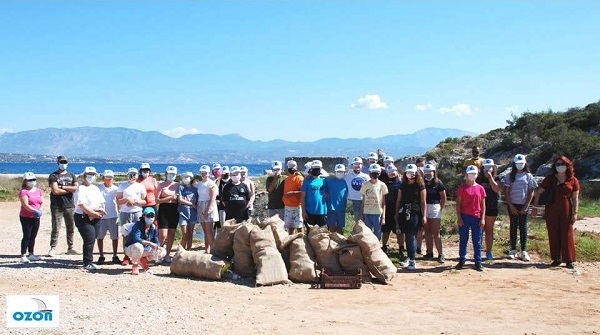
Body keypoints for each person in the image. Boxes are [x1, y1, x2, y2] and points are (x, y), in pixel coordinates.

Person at [533, 156, 580, 269]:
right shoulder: (549, 179)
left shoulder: (573, 180)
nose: (560, 166)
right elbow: (539, 193)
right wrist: (535, 207)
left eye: (562, 164)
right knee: (553, 232)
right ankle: (556, 258)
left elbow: (575, 198)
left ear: (567, 165)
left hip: (566, 208)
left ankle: (569, 260)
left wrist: (575, 213)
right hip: (551, 208)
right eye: (557, 164)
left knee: (567, 233)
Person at [504, 154, 537, 261]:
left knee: (523, 227)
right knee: (513, 227)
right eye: (518, 164)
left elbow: (531, 192)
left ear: (525, 164)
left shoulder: (529, 176)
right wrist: (511, 206)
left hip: (524, 205)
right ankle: (513, 249)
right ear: (514, 164)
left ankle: (524, 250)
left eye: (521, 164)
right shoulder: (509, 176)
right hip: (513, 205)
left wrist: (526, 206)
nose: (520, 165)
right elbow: (507, 192)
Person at [74, 167, 106, 272]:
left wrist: (100, 211)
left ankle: (88, 259)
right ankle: (87, 262)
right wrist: (93, 213)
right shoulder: (80, 188)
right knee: (89, 238)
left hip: (96, 217)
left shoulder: (95, 188)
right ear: (84, 176)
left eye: (93, 174)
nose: (91, 176)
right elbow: (82, 205)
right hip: (83, 217)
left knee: (93, 238)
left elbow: (100, 202)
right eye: (89, 174)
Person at [395, 164, 426, 271]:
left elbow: (423, 202)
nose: (411, 175)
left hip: (415, 213)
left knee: (411, 235)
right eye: (409, 172)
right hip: (404, 213)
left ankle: (412, 260)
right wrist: (396, 214)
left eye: (412, 173)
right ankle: (409, 257)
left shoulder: (420, 186)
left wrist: (424, 215)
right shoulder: (403, 185)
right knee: (407, 235)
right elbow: (399, 200)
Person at [455, 165, 487, 271]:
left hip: (477, 217)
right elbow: (458, 204)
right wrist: (459, 218)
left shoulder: (481, 188)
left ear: (477, 175)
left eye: (474, 174)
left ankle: (478, 261)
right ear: (467, 175)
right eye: (470, 174)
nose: (472, 175)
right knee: (463, 239)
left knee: (477, 240)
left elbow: (483, 205)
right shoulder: (462, 188)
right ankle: (462, 259)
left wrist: (482, 219)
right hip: (465, 216)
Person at [48, 155, 79, 257]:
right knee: (56, 226)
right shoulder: (53, 176)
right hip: (57, 205)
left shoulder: (72, 175)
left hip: (69, 205)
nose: (63, 164)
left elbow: (75, 188)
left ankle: (71, 247)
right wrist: (68, 190)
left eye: (65, 162)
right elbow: (55, 191)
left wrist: (63, 187)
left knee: (70, 227)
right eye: (62, 162)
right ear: (58, 163)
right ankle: (53, 247)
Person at [116, 168, 147, 266]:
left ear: (137, 175)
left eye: (134, 174)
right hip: (125, 212)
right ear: (127, 175)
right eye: (130, 174)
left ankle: (139, 256)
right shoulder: (122, 186)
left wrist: (135, 201)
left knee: (138, 234)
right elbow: (118, 200)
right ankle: (126, 256)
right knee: (126, 234)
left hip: (137, 212)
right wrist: (126, 200)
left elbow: (144, 201)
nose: (132, 176)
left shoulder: (140, 186)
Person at [124, 207, 166, 275]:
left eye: (152, 216)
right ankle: (135, 265)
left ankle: (144, 260)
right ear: (144, 216)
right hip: (131, 249)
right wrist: (150, 243)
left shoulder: (154, 227)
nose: (151, 218)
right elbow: (136, 239)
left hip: (145, 249)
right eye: (148, 216)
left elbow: (156, 241)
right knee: (138, 246)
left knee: (162, 251)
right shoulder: (137, 225)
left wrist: (157, 247)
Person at [476, 159, 502, 261]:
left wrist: (490, 178)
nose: (488, 169)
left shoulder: (497, 177)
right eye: (486, 167)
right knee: (479, 230)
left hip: (491, 206)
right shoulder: (478, 179)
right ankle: (478, 252)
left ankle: (489, 252)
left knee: (489, 230)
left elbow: (497, 189)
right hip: (479, 208)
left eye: (490, 167)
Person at [423, 164, 446, 263]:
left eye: (430, 172)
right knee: (427, 231)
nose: (428, 174)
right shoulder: (422, 183)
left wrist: (440, 208)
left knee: (436, 232)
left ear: (434, 172)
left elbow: (443, 197)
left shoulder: (438, 183)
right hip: (425, 207)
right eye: (426, 172)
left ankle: (440, 254)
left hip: (435, 206)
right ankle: (429, 252)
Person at [19, 172, 44, 263]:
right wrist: (34, 211)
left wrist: (40, 210)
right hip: (26, 216)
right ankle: (23, 255)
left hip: (36, 217)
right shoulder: (24, 192)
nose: (32, 181)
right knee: (27, 235)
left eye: (33, 180)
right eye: (30, 180)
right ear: (25, 181)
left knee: (33, 235)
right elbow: (25, 204)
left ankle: (31, 253)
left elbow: (42, 202)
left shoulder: (39, 191)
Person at [157, 165, 180, 264]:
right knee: (163, 234)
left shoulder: (178, 185)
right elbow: (157, 200)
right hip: (163, 209)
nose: (172, 176)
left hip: (174, 209)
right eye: (170, 174)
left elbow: (180, 198)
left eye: (173, 174)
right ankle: (158, 254)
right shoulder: (161, 185)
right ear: (166, 174)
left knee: (172, 233)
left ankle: (167, 254)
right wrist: (170, 197)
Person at [97, 170, 120, 265]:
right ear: (103, 178)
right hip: (102, 216)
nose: (109, 179)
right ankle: (101, 255)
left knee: (115, 237)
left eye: (110, 178)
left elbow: (118, 201)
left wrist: (119, 213)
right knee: (100, 237)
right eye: (107, 177)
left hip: (113, 215)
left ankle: (115, 255)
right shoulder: (99, 188)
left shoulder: (116, 189)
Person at [360, 164, 388, 241]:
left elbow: (384, 203)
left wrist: (383, 217)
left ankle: (377, 249)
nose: (374, 175)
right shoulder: (365, 185)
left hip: (377, 213)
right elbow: (363, 201)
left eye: (376, 173)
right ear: (369, 173)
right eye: (373, 173)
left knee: (377, 233)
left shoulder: (382, 185)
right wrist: (361, 214)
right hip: (367, 212)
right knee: (367, 234)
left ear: (379, 174)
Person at [381, 164, 404, 256]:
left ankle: (401, 248)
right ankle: (385, 246)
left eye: (393, 172)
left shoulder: (401, 183)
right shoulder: (384, 184)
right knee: (386, 229)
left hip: (398, 209)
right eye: (390, 173)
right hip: (387, 208)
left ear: (396, 172)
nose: (392, 174)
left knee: (399, 229)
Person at [197, 165, 219, 253]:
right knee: (205, 231)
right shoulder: (199, 184)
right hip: (200, 205)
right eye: (202, 173)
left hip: (209, 205)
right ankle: (207, 249)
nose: (203, 174)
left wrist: (207, 210)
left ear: (209, 173)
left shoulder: (211, 184)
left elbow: (212, 198)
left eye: (205, 173)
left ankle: (214, 250)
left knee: (209, 231)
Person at [301, 160, 328, 227]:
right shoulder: (307, 182)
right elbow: (302, 197)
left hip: (323, 212)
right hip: (309, 212)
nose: (316, 170)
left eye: (318, 168)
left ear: (321, 169)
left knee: (322, 234)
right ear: (311, 169)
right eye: (314, 168)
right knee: (309, 233)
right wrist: (303, 211)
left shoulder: (325, 181)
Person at [325, 164, 348, 233]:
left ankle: (340, 242)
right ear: (335, 172)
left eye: (342, 172)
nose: (340, 173)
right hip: (331, 208)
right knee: (331, 227)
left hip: (342, 208)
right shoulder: (329, 181)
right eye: (338, 172)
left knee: (340, 228)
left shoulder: (346, 181)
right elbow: (320, 176)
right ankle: (332, 241)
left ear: (344, 172)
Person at [345, 157, 369, 223]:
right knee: (357, 221)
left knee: (366, 220)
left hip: (364, 200)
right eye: (355, 164)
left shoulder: (366, 176)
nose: (357, 166)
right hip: (352, 200)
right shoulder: (347, 176)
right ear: (352, 165)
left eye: (359, 164)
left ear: (362, 165)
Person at [178, 171, 198, 251]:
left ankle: (188, 251)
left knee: (190, 234)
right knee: (185, 235)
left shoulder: (195, 189)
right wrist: (192, 204)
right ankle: (181, 252)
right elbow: (180, 200)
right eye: (184, 177)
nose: (185, 179)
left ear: (191, 178)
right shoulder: (181, 187)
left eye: (187, 177)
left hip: (193, 214)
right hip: (183, 213)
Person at [283, 160, 304, 234]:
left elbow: (303, 192)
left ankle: (301, 241)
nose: (291, 169)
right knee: (290, 228)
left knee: (299, 227)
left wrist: (292, 193)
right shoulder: (287, 179)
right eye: (290, 167)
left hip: (297, 206)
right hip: (288, 206)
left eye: (292, 167)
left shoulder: (299, 178)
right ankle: (291, 243)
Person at [215, 165, 231, 233]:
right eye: (224, 173)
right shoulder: (219, 181)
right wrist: (219, 178)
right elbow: (215, 188)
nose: (226, 175)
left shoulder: (231, 181)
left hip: (230, 205)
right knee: (222, 224)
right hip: (221, 205)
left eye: (227, 173)